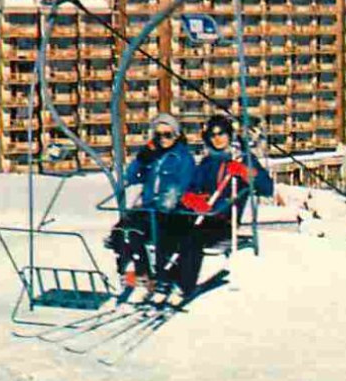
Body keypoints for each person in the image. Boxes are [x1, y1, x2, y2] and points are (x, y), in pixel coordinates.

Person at [180, 114, 272, 298]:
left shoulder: (242, 158)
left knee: (193, 237)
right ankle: (162, 278)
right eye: (212, 135)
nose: (217, 138)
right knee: (171, 228)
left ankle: (185, 285)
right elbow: (193, 186)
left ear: (229, 135)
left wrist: (246, 173)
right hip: (204, 215)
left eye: (221, 133)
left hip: (224, 219)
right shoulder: (208, 162)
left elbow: (267, 188)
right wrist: (191, 198)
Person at [110, 113, 196, 296]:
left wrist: (167, 202)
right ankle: (137, 271)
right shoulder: (153, 156)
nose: (163, 139)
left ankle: (160, 275)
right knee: (122, 231)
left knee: (159, 234)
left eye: (168, 135)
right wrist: (142, 158)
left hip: (173, 210)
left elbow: (182, 185)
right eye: (159, 135)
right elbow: (131, 177)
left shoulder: (183, 158)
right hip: (150, 208)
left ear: (177, 135)